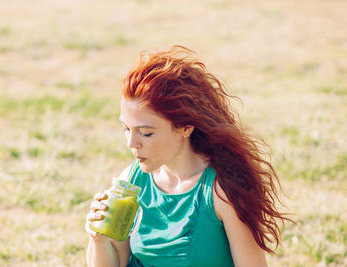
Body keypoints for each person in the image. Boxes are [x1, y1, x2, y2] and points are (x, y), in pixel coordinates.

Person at [85, 45, 290, 267]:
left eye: (146, 132)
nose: (131, 143)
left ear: (185, 127)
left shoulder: (221, 192)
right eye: (126, 128)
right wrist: (98, 238)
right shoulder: (132, 181)